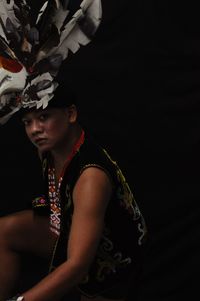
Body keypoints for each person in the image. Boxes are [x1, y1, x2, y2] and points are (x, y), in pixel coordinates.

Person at [0, 82, 147, 301]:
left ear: (70, 114)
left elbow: (78, 265)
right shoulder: (47, 149)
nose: (34, 130)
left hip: (110, 256)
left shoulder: (91, 178)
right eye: (27, 122)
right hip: (68, 225)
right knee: (4, 231)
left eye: (44, 117)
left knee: (79, 278)